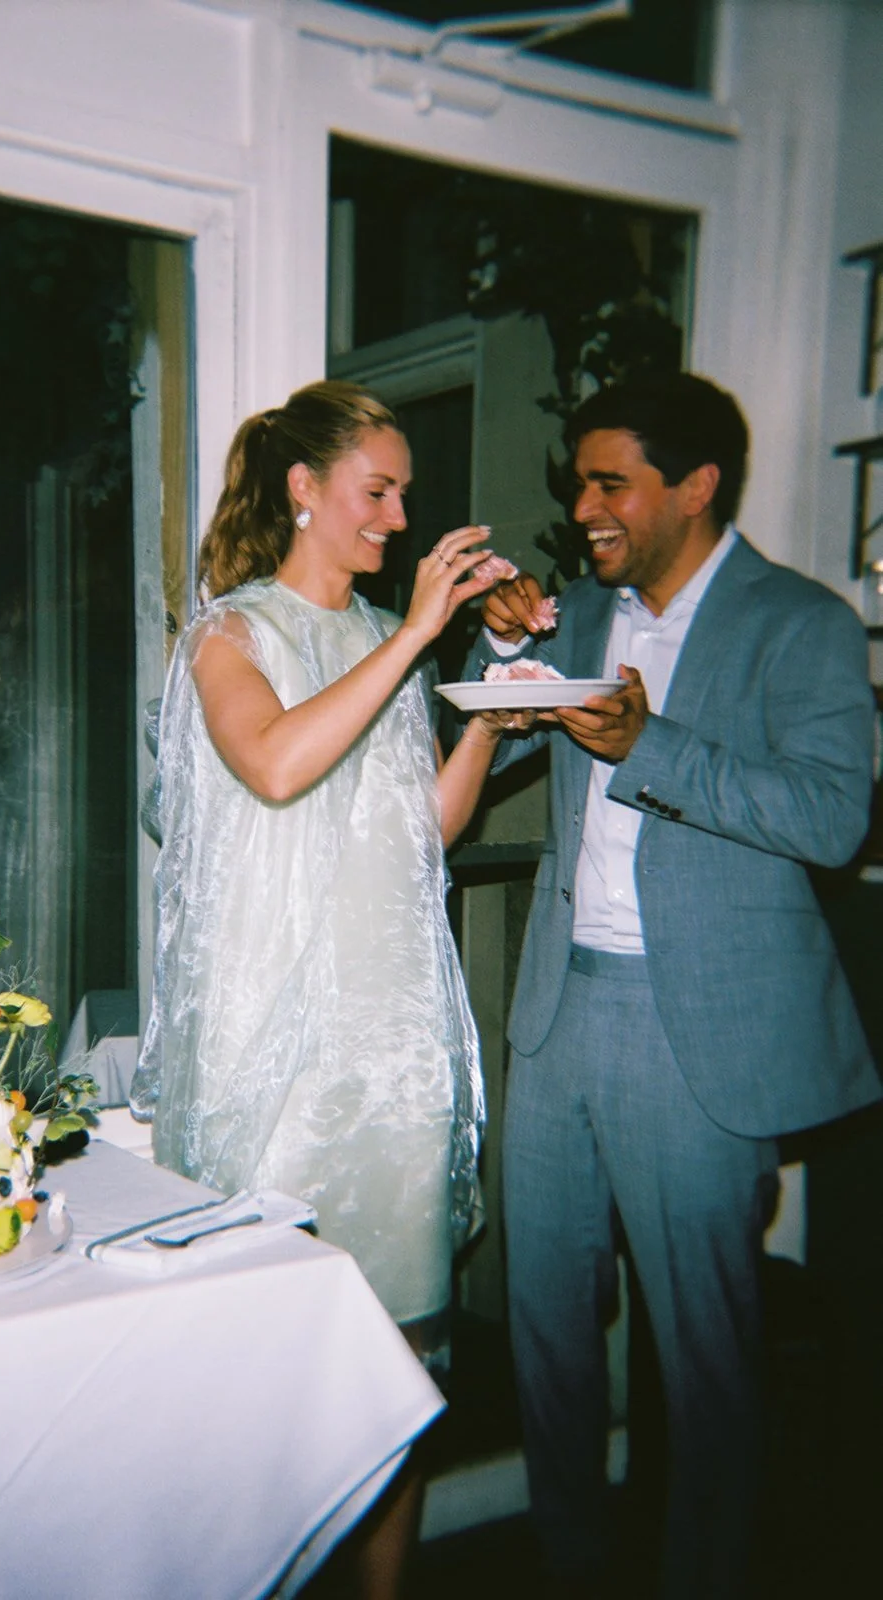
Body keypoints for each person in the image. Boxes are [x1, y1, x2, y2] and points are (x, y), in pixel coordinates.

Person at [467, 371, 880, 1599]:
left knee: (702, 1350)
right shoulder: (581, 618)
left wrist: (651, 745)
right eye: (579, 481)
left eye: (609, 483)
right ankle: (567, 1564)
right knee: (545, 1330)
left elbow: (829, 817)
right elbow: (492, 773)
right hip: (555, 1012)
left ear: (692, 486)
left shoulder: (795, 622)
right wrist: (503, 662)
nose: (582, 506)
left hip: (695, 1033)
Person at [129, 379, 506, 1595]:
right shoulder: (227, 636)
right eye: (376, 491)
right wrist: (414, 638)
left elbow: (424, 834)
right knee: (270, 1371)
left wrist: (492, 702)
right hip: (272, 1061)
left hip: (389, 1048)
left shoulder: (381, 642)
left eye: (403, 495)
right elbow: (279, 765)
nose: (396, 518)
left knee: (394, 1368)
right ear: (303, 490)